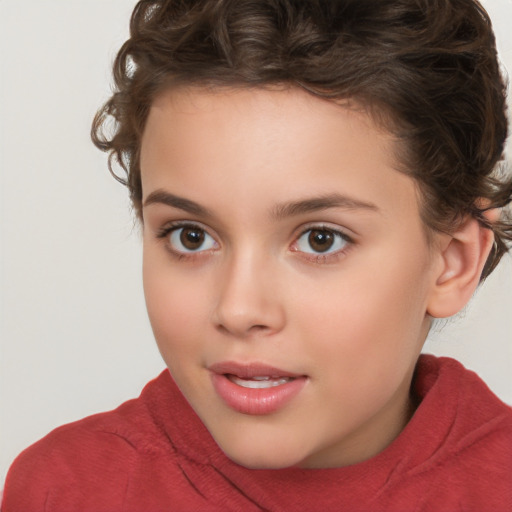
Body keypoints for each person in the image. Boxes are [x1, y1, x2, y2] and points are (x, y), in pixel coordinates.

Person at [2, 0, 512, 510]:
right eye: (191, 236)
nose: (239, 309)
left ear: (453, 262)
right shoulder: (63, 492)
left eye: (320, 240)